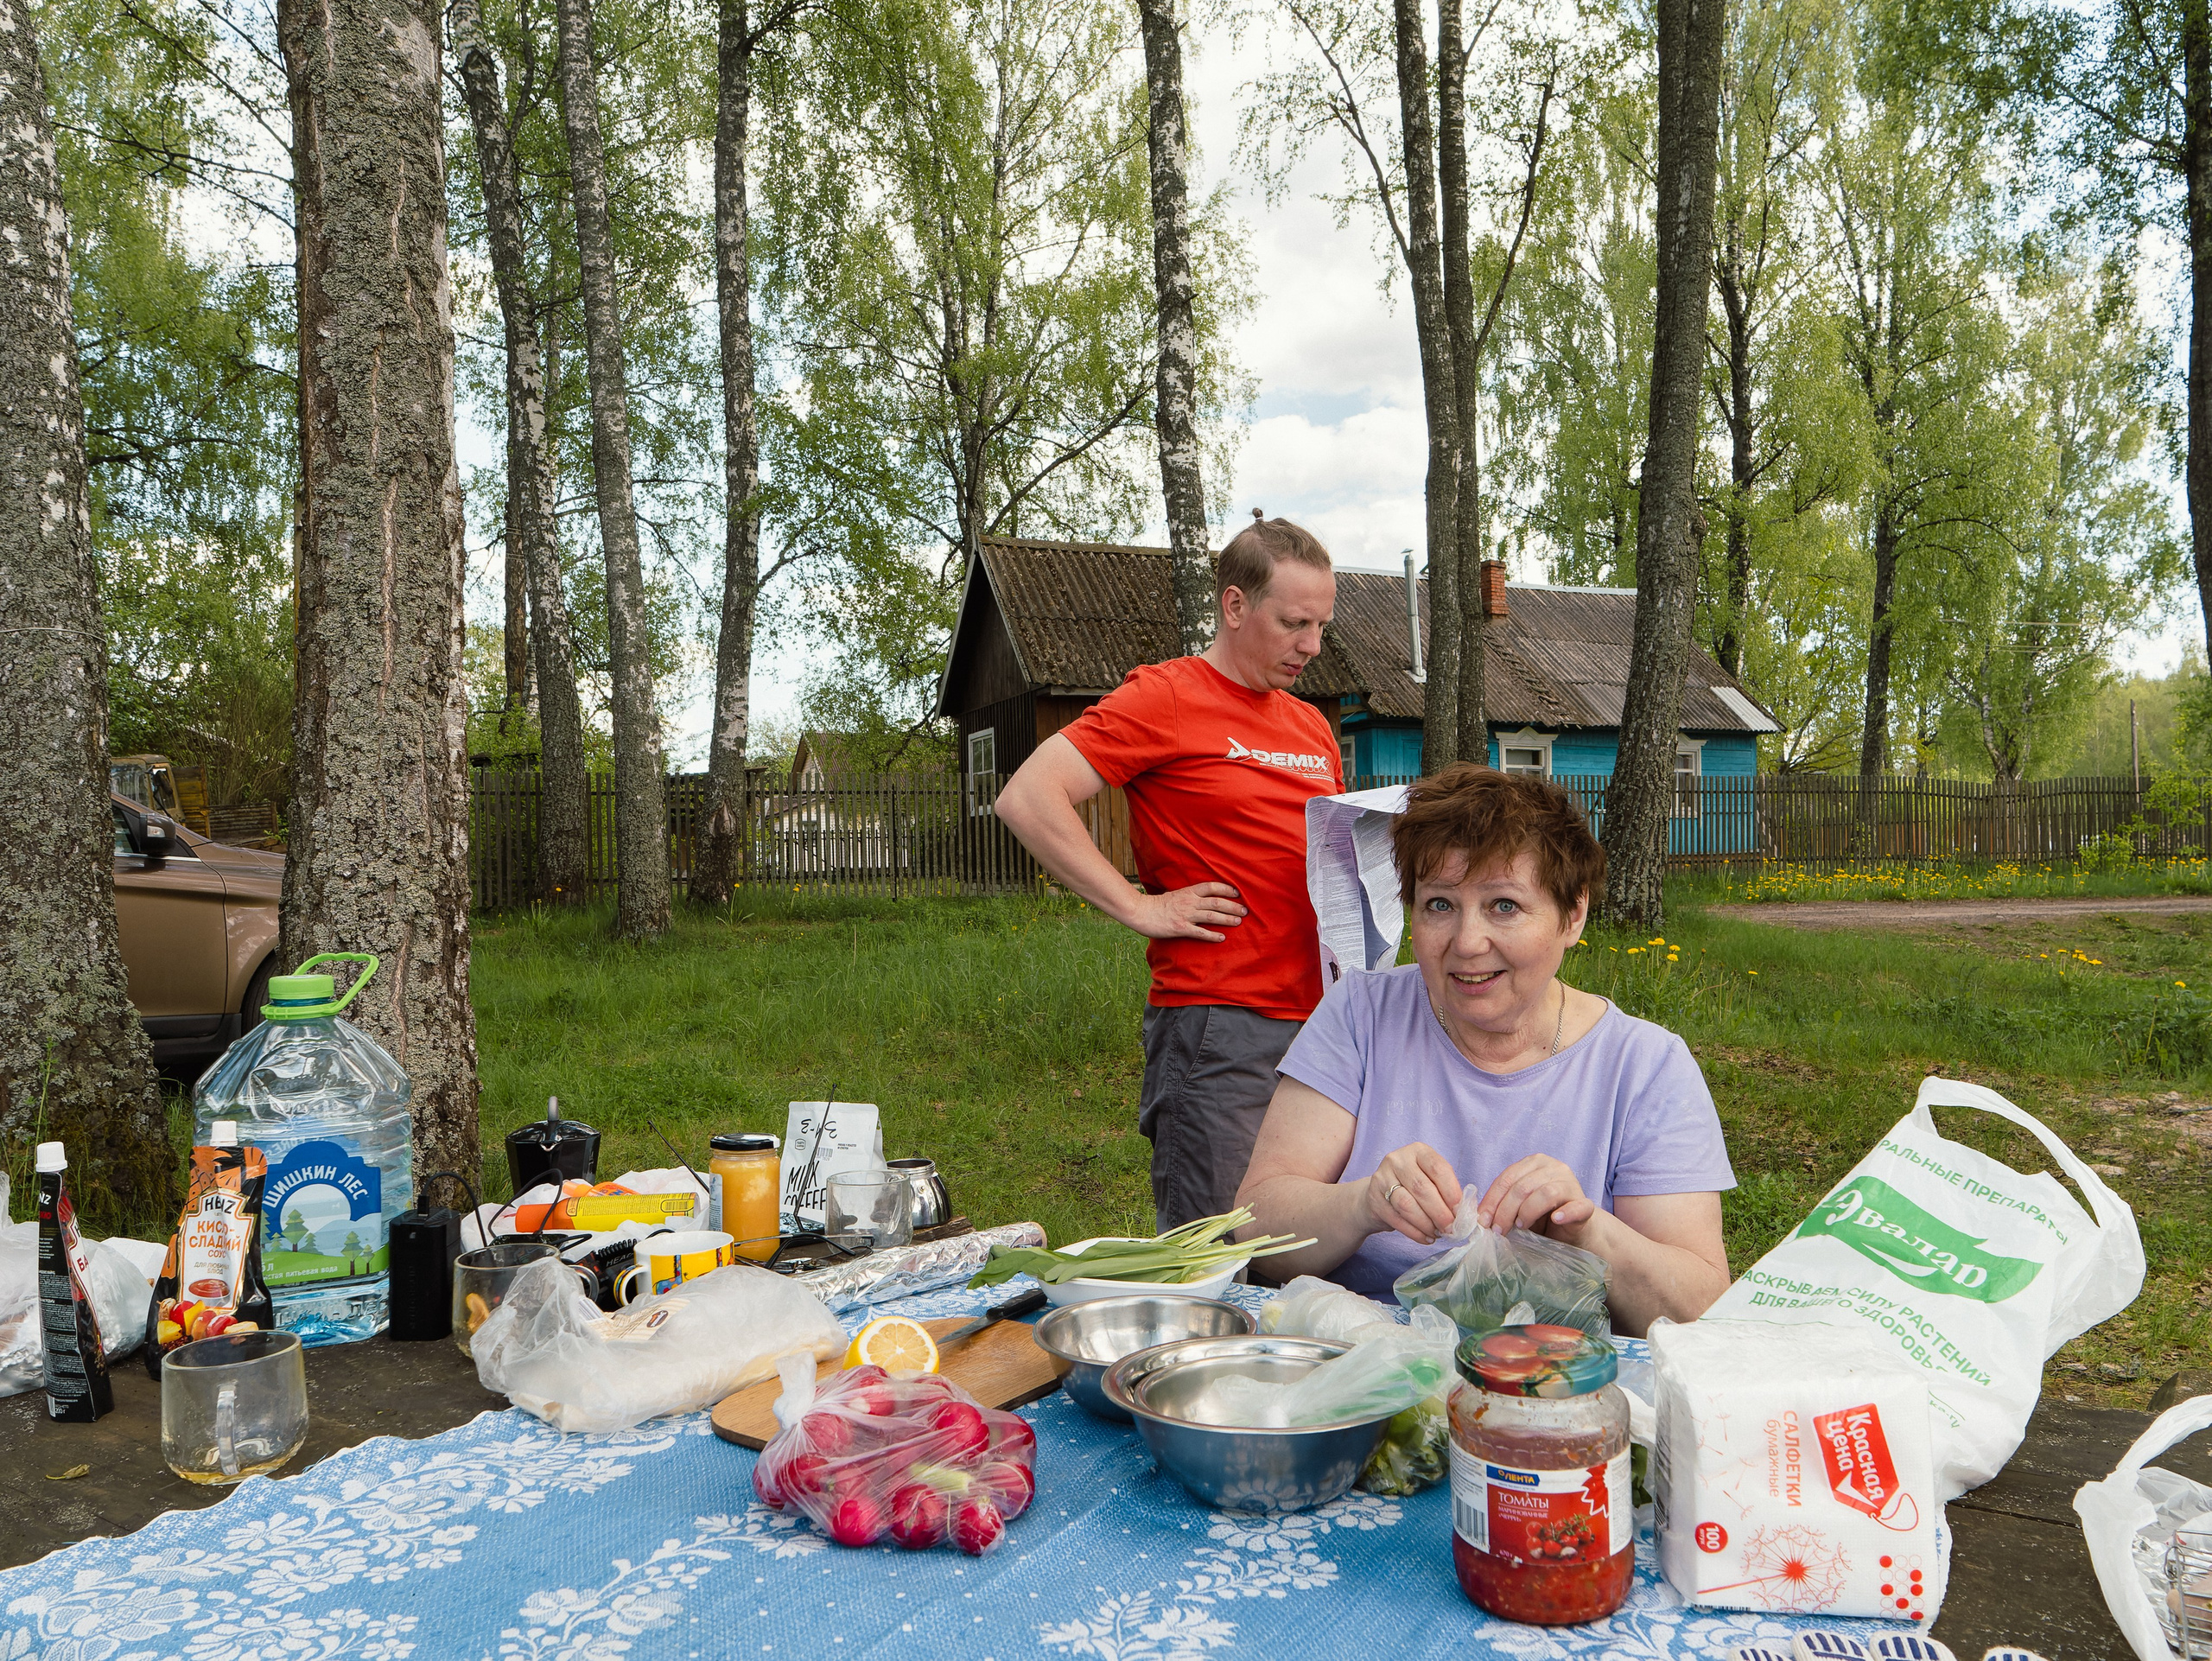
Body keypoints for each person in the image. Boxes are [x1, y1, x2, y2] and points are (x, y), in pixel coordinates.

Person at [1235, 764, 1734, 1335]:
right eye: (1440, 905)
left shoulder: (1645, 1067)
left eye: (1504, 905)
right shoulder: (1361, 1014)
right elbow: (1255, 1230)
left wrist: (1588, 1234)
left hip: (1548, 1379)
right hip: (1362, 1358)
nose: (1468, 944)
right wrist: (1364, 1204)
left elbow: (1696, 1307)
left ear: (1573, 915)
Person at [995, 514, 1344, 1230]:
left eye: (1321, 626)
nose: (1311, 645)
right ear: (1236, 605)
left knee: (1302, 1243)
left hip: (1322, 1023)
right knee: (1215, 1248)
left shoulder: (1310, 726)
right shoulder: (1168, 695)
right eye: (1294, 623)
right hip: (1221, 1023)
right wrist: (1136, 906)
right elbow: (1028, 796)